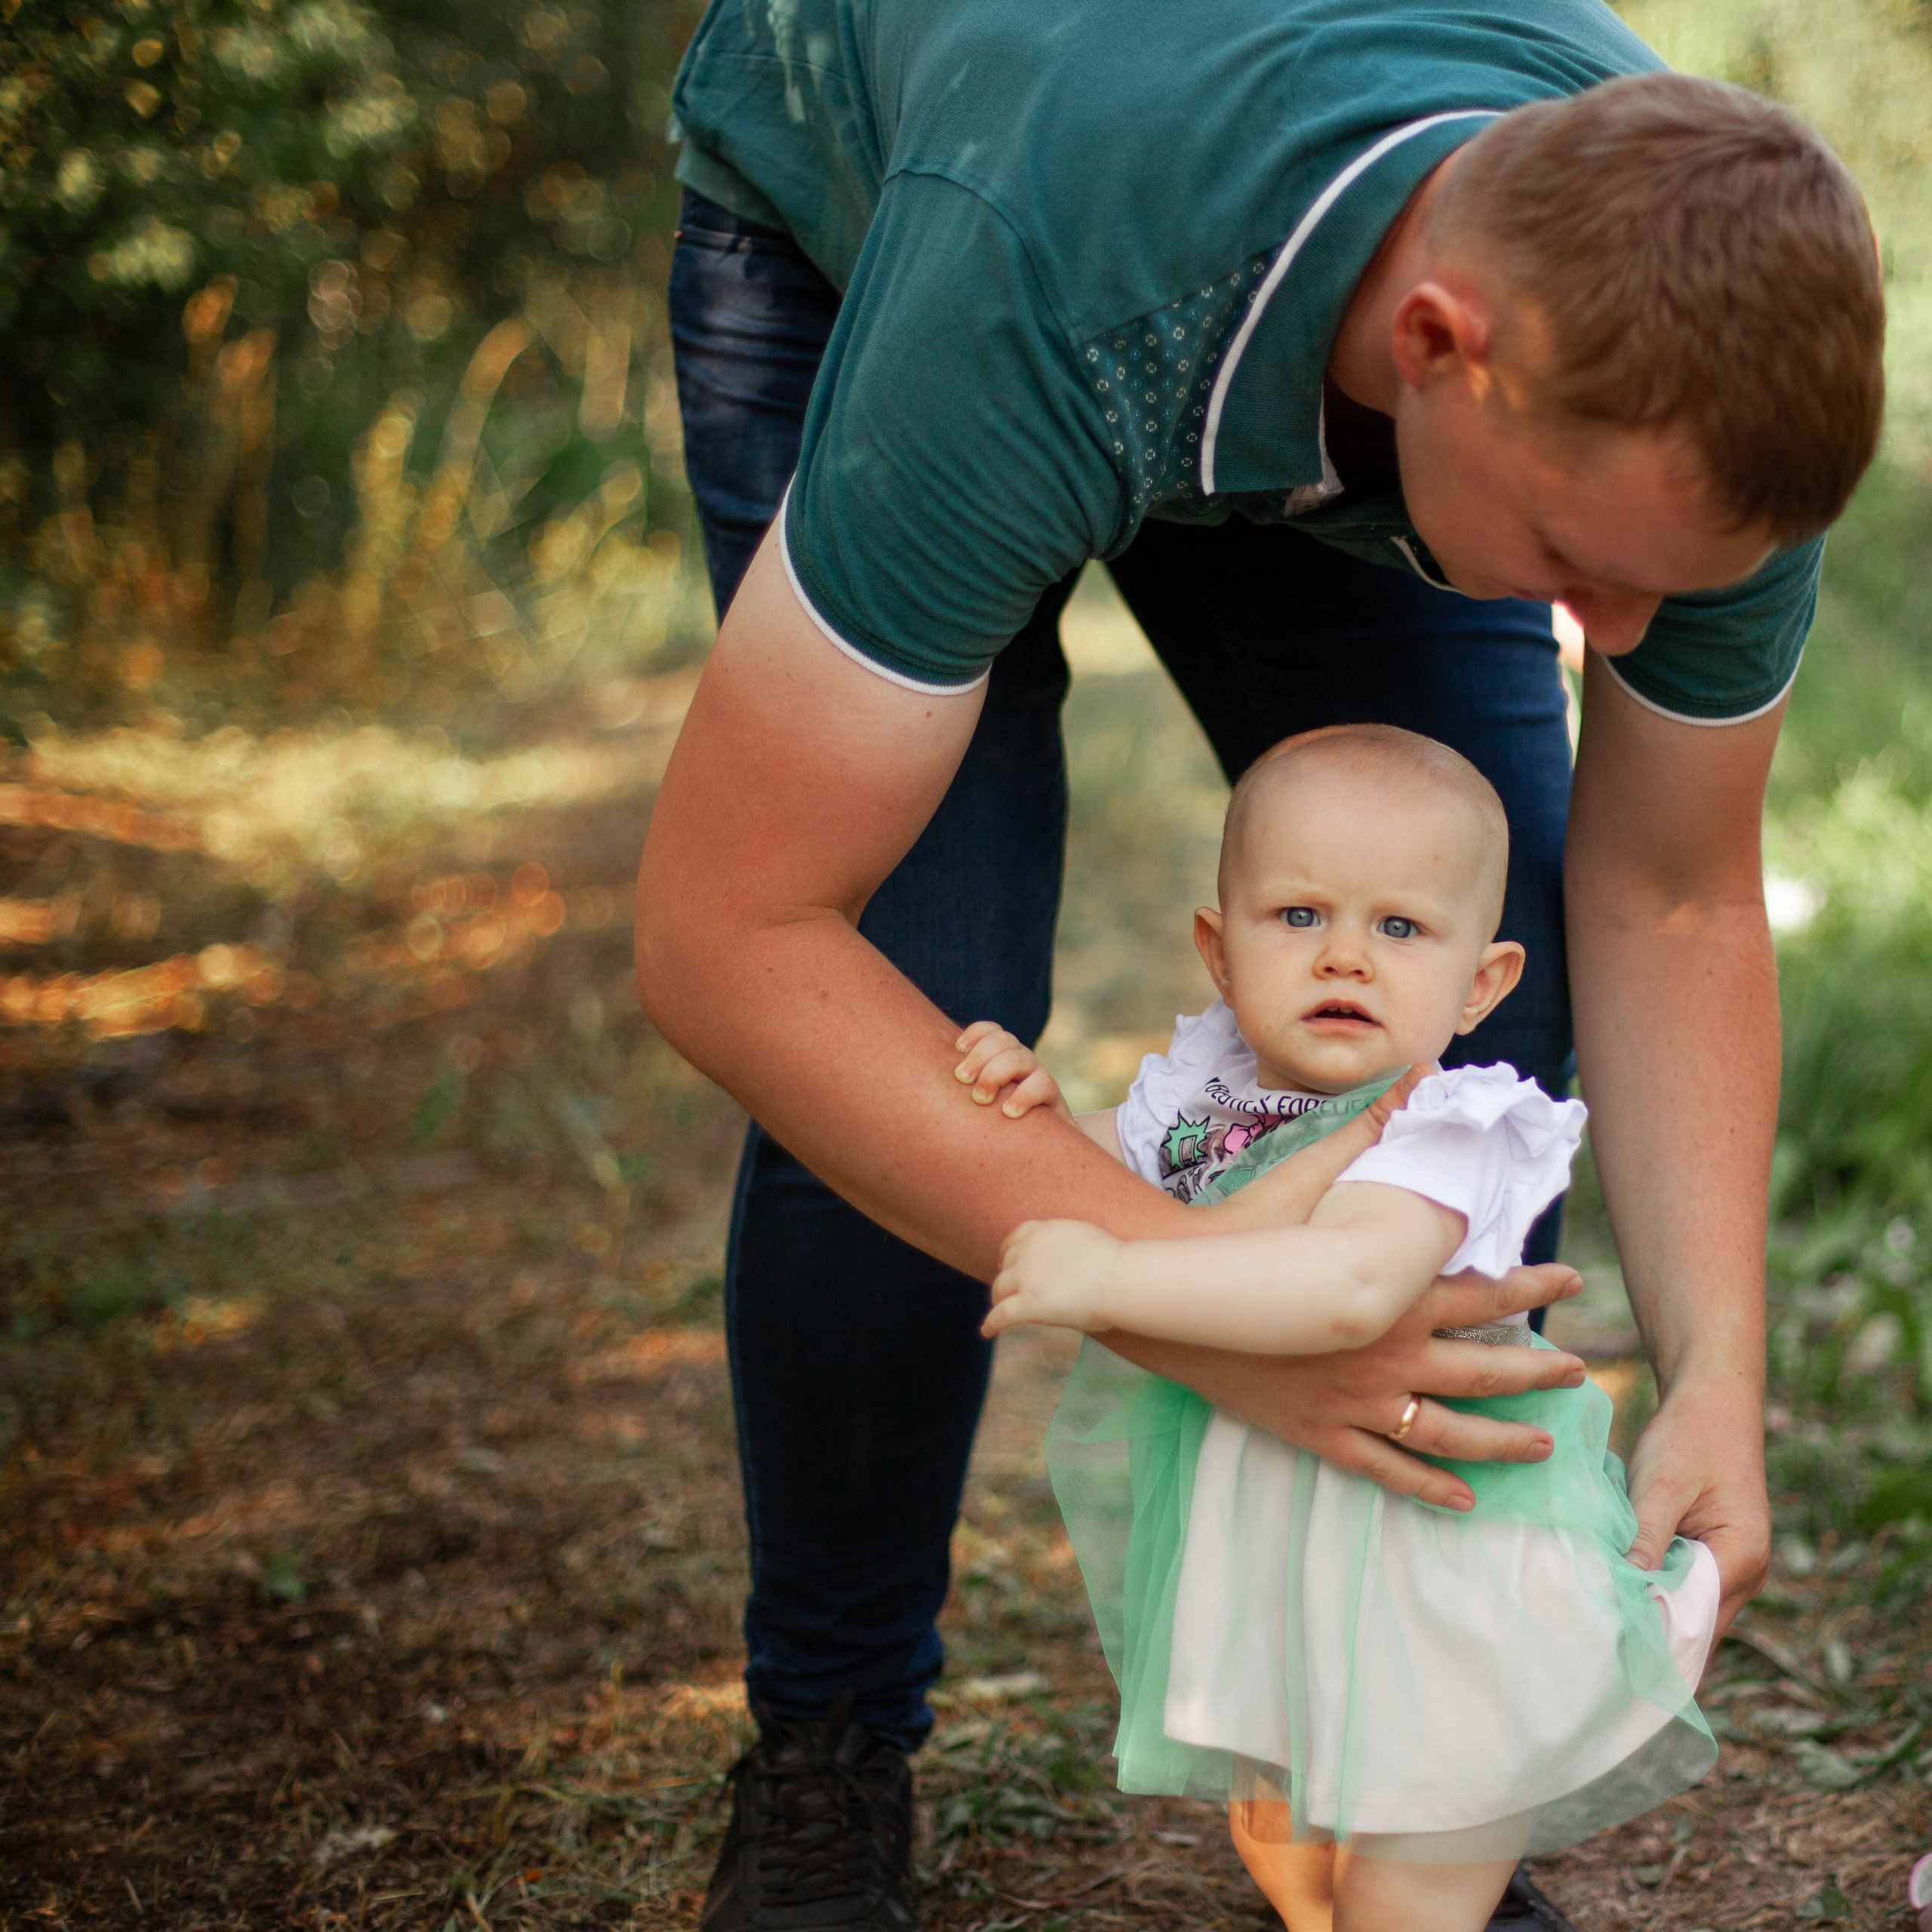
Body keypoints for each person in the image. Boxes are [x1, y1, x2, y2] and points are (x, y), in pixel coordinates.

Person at [638, 0, 1884, 1922]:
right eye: (1576, 553)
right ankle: (825, 1742)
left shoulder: (1701, 398)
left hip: (1281, 303)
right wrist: (1225, 1317)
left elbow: (1667, 895)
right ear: (1435, 354)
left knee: (1473, 994)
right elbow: (733, 937)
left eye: (1670, 584)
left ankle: (1401, 1771)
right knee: (902, 1012)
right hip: (917, 217)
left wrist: (1720, 1375)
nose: (1622, 626)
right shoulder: (1037, 283)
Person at [957, 724, 1719, 1932]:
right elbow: (1069, 1170)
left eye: (1400, 928)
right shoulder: (1208, 1095)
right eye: (1300, 916)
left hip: (1437, 1561)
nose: (1347, 958)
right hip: (1270, 1541)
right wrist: (1034, 1108)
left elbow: (1348, 1292)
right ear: (1220, 950)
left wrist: (1109, 1281)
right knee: (1281, 1826)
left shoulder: (1449, 1125)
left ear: (1484, 983)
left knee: (1413, 1877)